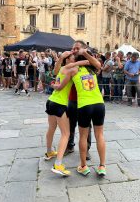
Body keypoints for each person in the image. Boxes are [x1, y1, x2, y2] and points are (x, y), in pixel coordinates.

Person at [54, 48, 106, 176]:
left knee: (83, 136)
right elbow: (98, 65)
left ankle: (83, 166)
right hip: (99, 104)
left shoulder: (73, 70)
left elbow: (59, 73)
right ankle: (102, 166)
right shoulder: (92, 69)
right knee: (100, 135)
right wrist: (85, 56)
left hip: (84, 106)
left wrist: (61, 58)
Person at [44, 52, 91, 176]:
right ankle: (58, 164)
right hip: (60, 103)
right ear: (68, 60)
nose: (74, 61)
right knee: (66, 133)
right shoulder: (70, 69)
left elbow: (55, 72)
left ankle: (49, 152)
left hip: (51, 101)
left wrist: (62, 58)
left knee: (51, 128)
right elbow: (86, 63)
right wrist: (82, 60)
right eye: (72, 59)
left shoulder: (63, 68)